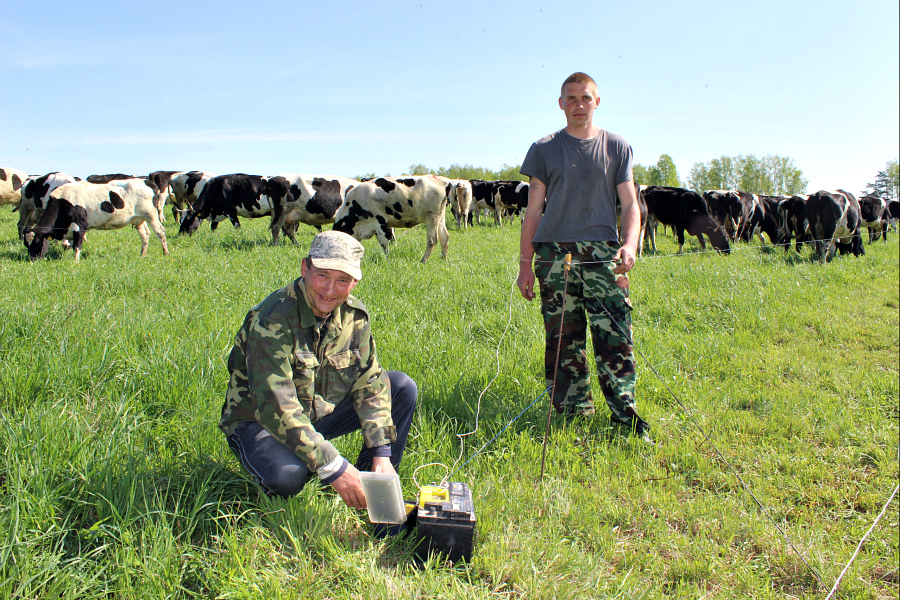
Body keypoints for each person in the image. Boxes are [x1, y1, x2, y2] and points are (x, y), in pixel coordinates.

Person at [220, 230, 418, 509]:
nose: (329, 290)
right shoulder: (272, 320)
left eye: (342, 281)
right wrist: (334, 467)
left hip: (315, 413)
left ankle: (371, 485)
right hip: (259, 421)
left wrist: (382, 453)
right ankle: (321, 470)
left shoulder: (354, 317)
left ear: (355, 283)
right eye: (322, 275)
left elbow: (369, 382)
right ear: (305, 268)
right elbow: (276, 407)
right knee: (288, 477)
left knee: (400, 387)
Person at [516, 71, 650, 440]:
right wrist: (526, 266)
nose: (578, 105)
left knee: (615, 339)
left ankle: (626, 419)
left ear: (597, 101)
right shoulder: (544, 149)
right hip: (555, 256)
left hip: (603, 256)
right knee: (563, 340)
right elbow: (533, 211)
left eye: (585, 98)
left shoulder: (616, 147)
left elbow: (630, 204)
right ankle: (571, 416)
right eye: (571, 98)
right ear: (561, 104)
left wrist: (630, 244)